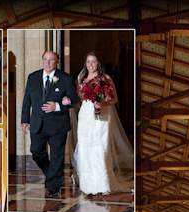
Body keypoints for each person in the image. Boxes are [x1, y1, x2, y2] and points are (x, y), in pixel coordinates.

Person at [71, 51, 132, 198]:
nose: (90, 65)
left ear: (98, 63)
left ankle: (102, 184)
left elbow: (114, 99)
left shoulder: (106, 78)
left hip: (102, 116)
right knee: (85, 148)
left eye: (93, 61)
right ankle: (87, 184)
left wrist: (102, 103)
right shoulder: (81, 77)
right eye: (88, 62)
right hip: (86, 116)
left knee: (100, 148)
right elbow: (79, 97)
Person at [21, 51, 79, 198]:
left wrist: (58, 106)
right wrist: (24, 120)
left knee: (57, 157)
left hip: (58, 125)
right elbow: (27, 100)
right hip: (37, 124)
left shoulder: (66, 78)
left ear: (57, 62)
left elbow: (73, 99)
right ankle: (50, 173)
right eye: (45, 59)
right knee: (36, 151)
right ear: (42, 61)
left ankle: (53, 188)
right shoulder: (33, 77)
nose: (48, 63)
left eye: (51, 60)